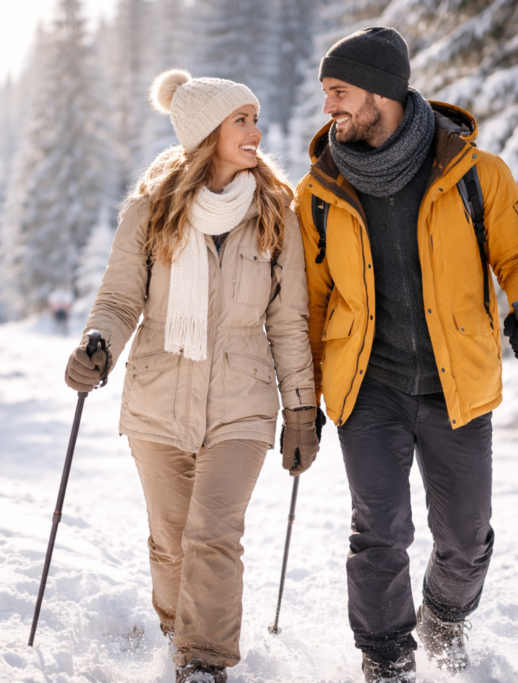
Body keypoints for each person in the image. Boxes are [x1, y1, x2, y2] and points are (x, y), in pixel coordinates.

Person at [294, 27, 518, 682]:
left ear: (381, 93)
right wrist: (304, 395)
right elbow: (312, 301)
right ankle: (386, 656)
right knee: (378, 530)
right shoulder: (319, 192)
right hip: (368, 386)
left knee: (465, 537)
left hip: (456, 382)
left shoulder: (475, 173)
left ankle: (443, 613)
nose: (329, 109)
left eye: (339, 93)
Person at [64, 70, 318, 683]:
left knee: (213, 536)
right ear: (207, 131)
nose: (256, 132)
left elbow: (289, 321)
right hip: (158, 395)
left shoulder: (275, 211)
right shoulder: (151, 210)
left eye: (255, 119)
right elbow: (122, 300)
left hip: (242, 400)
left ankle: (204, 663)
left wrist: (301, 411)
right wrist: (98, 345)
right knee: (171, 541)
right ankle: (177, 634)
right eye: (243, 120)